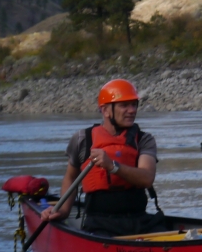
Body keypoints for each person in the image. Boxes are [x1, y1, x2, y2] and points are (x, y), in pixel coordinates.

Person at [40, 79, 166, 236]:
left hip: (139, 221)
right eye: (124, 105)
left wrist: (112, 166)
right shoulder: (82, 139)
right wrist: (63, 210)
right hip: (99, 223)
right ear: (106, 110)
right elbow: (71, 178)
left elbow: (147, 178)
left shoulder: (144, 139)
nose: (132, 110)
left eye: (134, 104)